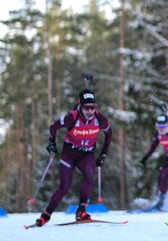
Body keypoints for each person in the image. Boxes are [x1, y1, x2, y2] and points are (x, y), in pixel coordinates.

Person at [35, 89, 112, 227]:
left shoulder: (100, 119)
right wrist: (51, 144)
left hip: (87, 154)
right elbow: (53, 127)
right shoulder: (72, 117)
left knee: (89, 173)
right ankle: (45, 215)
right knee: (65, 186)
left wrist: (103, 154)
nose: (90, 111)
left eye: (92, 108)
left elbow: (109, 133)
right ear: (80, 106)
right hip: (69, 154)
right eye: (86, 108)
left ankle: (81, 211)